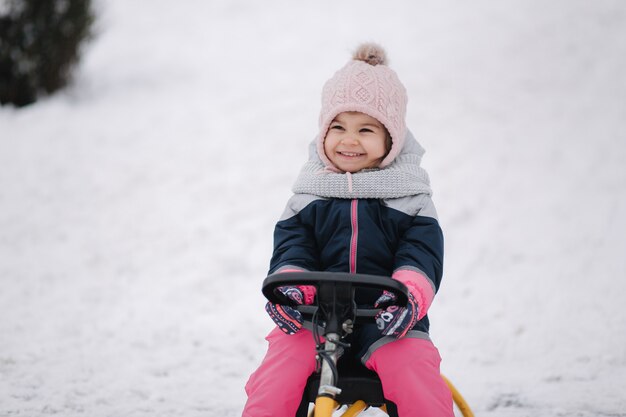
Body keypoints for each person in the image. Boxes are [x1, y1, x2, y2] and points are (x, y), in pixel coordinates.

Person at [242, 43, 454, 417]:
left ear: (392, 138)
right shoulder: (308, 195)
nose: (349, 140)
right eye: (337, 127)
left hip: (389, 322)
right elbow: (293, 248)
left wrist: (406, 296)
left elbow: (421, 256)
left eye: (366, 129)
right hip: (312, 320)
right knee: (277, 371)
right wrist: (293, 286)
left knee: (415, 372)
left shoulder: (411, 197)